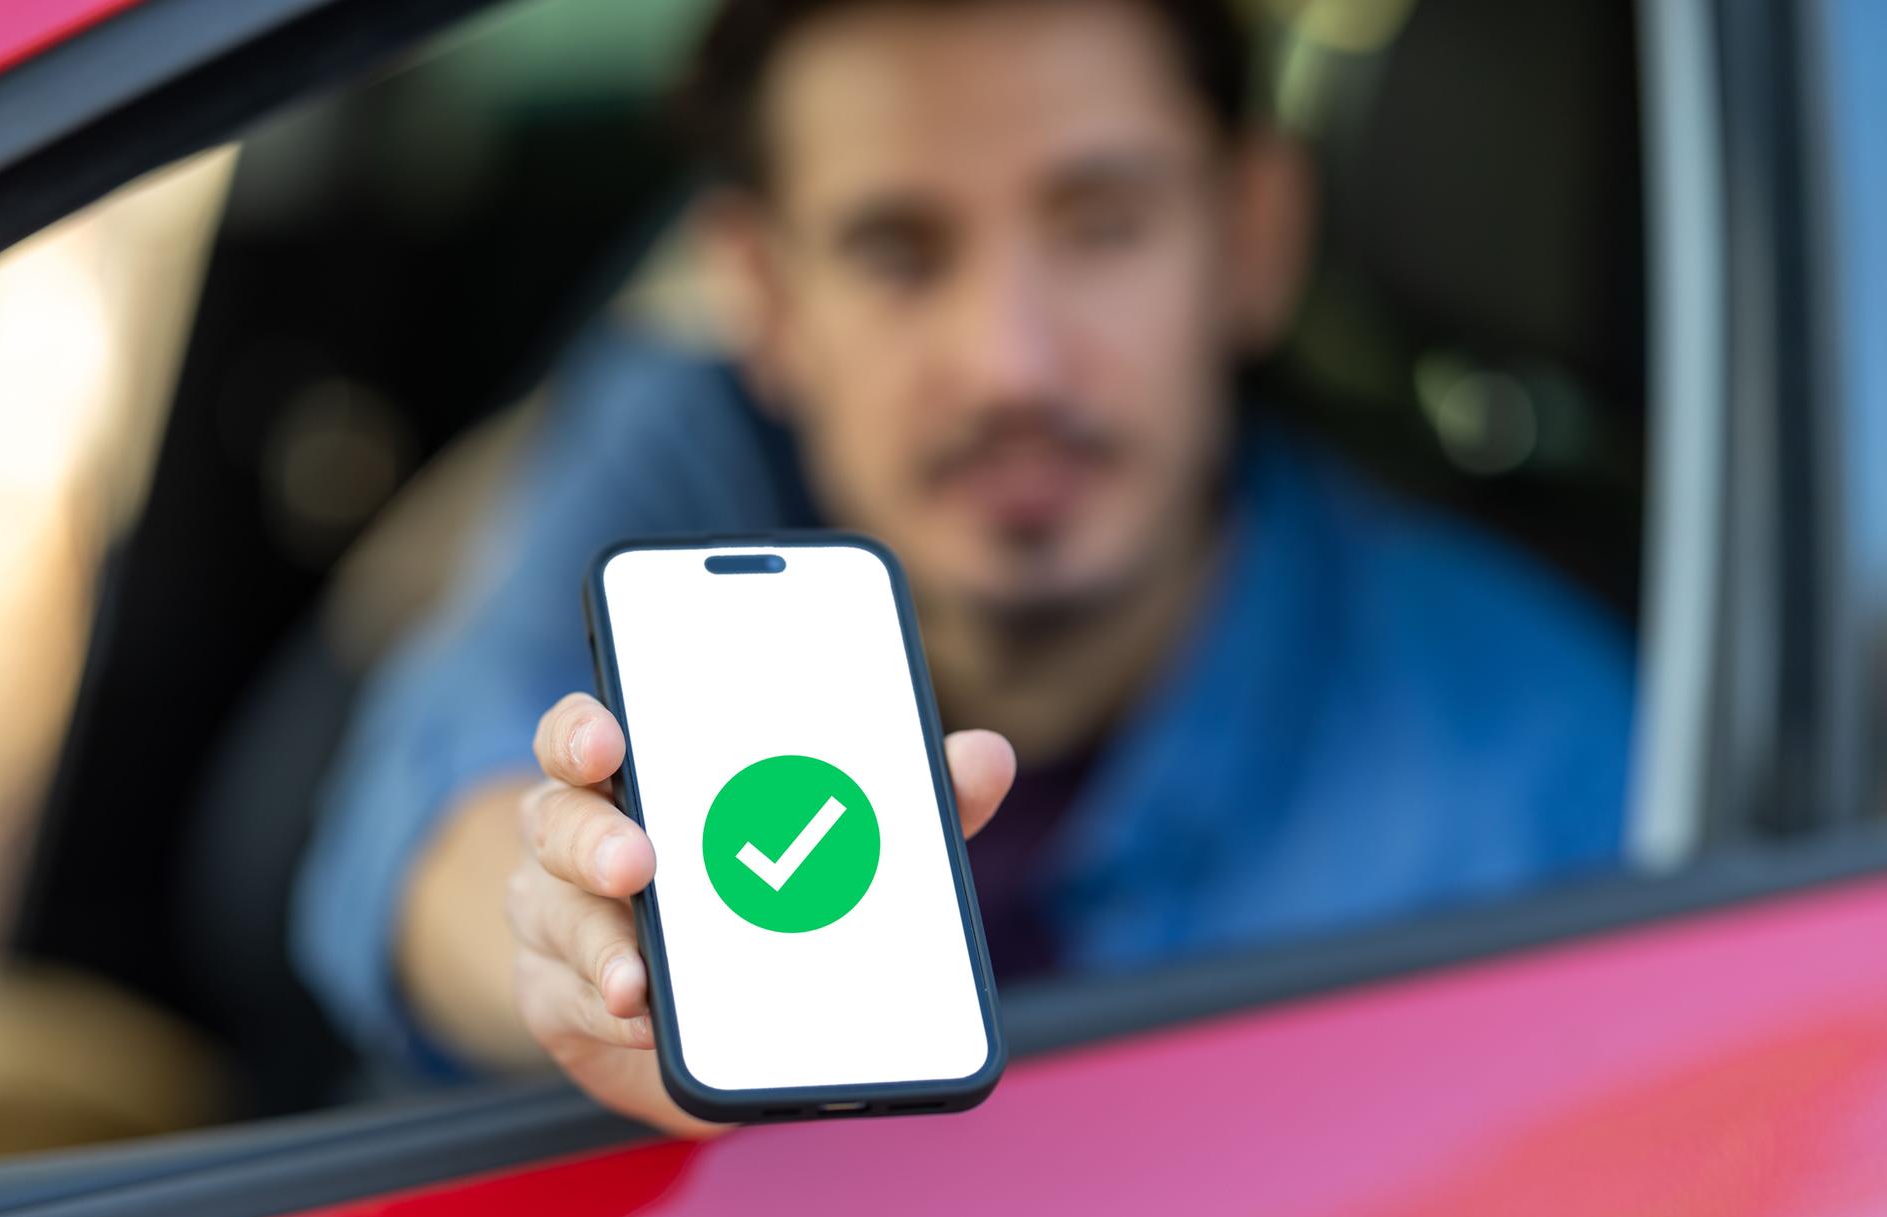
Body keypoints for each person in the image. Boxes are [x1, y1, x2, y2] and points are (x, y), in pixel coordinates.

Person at [293, 0, 1633, 1135]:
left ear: (1257, 237)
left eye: (1101, 225)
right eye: (898, 251)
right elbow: (427, 797)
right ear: (761, 293)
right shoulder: (689, 465)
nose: (1012, 361)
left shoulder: (1549, 779)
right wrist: (570, 951)